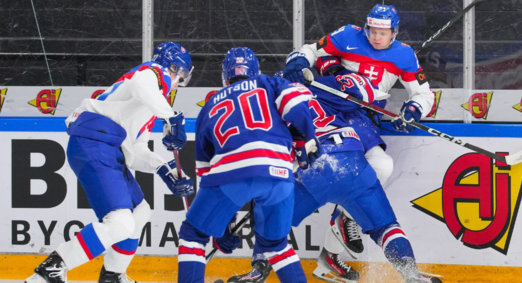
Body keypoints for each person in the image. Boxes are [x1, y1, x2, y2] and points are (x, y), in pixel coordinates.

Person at [227, 62, 442, 283]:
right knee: (385, 227)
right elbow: (366, 89)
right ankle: (411, 274)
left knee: (269, 220)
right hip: (352, 161)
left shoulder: (265, 107)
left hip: (313, 169)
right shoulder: (318, 86)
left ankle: (258, 272)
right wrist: (329, 79)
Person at [281, 3, 436, 281]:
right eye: (373, 30)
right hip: (329, 108)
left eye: (383, 32)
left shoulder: (404, 55)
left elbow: (424, 94)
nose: (376, 37)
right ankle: (320, 240)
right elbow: (311, 50)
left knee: (382, 166)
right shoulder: (348, 36)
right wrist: (298, 60)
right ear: (366, 27)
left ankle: (342, 224)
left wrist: (412, 110)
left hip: (362, 116)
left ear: (394, 32)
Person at [25, 42, 195, 283]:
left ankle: (113, 276)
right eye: (182, 76)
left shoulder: (147, 105)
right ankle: (50, 270)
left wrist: (164, 170)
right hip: (95, 142)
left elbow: (135, 152)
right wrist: (172, 116)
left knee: (140, 212)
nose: (179, 83)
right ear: (173, 68)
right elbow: (141, 83)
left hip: (106, 146)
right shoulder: (155, 73)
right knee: (121, 222)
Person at [176, 47, 318, 283]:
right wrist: (308, 137)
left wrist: (222, 225)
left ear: (224, 77)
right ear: (255, 71)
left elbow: (205, 170)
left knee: (193, 235)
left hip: (231, 172)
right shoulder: (267, 82)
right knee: (276, 246)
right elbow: (296, 105)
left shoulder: (209, 106)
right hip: (280, 173)